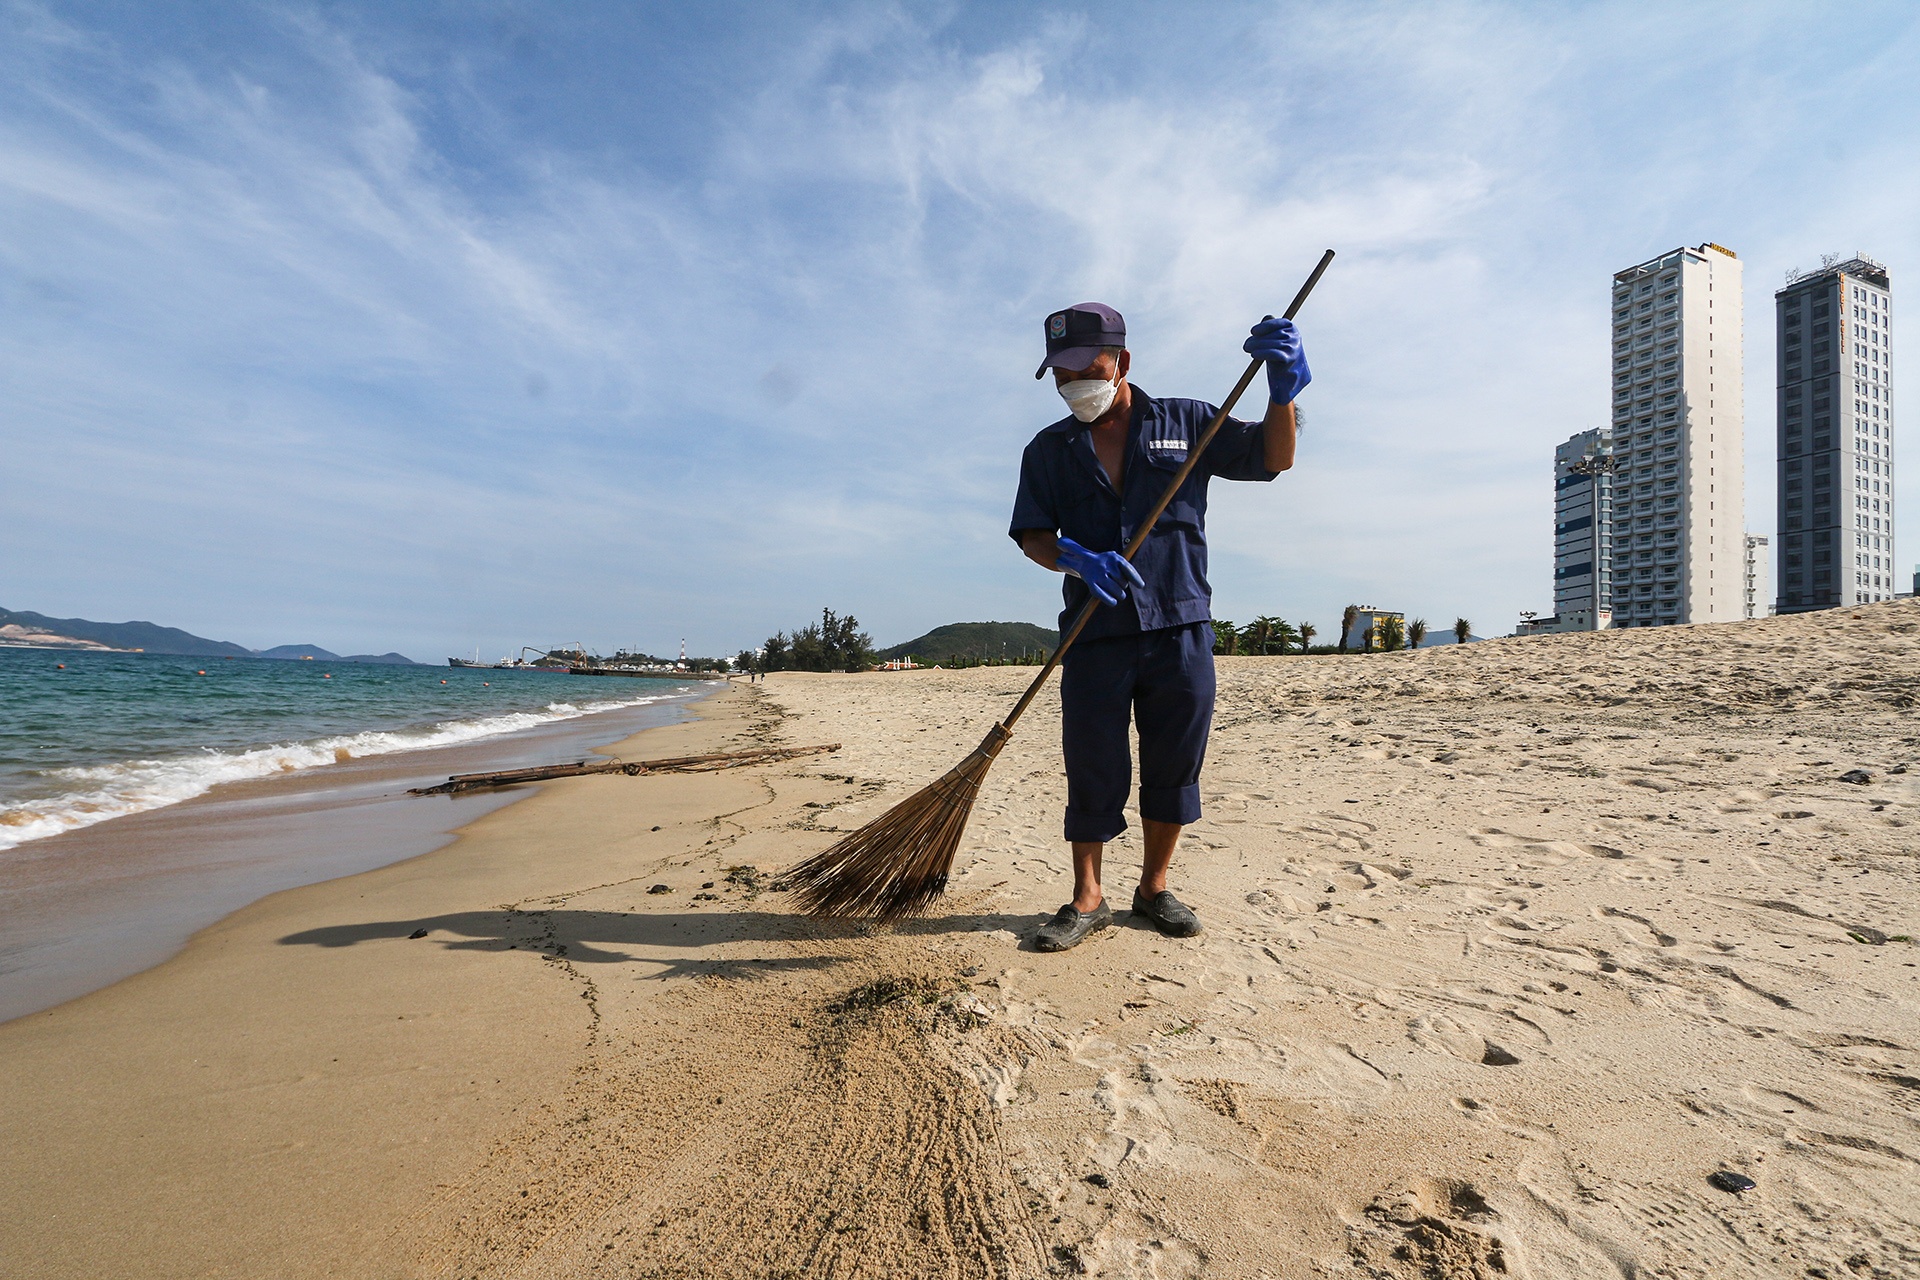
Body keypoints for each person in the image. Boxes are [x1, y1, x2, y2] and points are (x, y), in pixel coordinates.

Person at [1008, 302, 1309, 952]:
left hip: (1181, 626)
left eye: (1084, 370)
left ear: (1122, 362)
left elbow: (1273, 457)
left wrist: (1282, 390)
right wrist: (1076, 559)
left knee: (1174, 761)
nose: (1072, 386)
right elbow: (1032, 534)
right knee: (1092, 762)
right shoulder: (1048, 450)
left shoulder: (1190, 421)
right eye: (1060, 376)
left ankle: (1154, 886)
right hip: (1093, 632)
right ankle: (1089, 896)